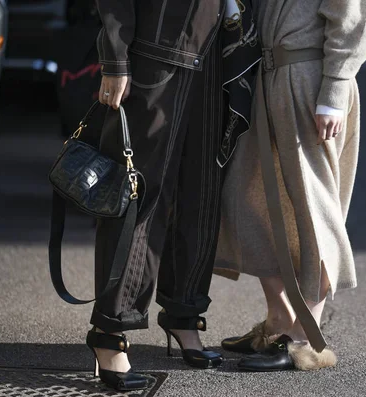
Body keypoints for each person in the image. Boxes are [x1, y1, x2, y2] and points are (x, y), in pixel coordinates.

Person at [85, 0, 259, 390]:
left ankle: (185, 315)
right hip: (156, 55)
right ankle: (110, 333)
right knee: (138, 199)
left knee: (201, 196)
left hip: (218, 60)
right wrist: (115, 58)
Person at [215, 0, 366, 371]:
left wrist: (336, 89)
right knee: (243, 198)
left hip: (310, 79)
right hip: (265, 76)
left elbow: (360, 16)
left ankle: (304, 339)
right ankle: (279, 320)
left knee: (314, 211)